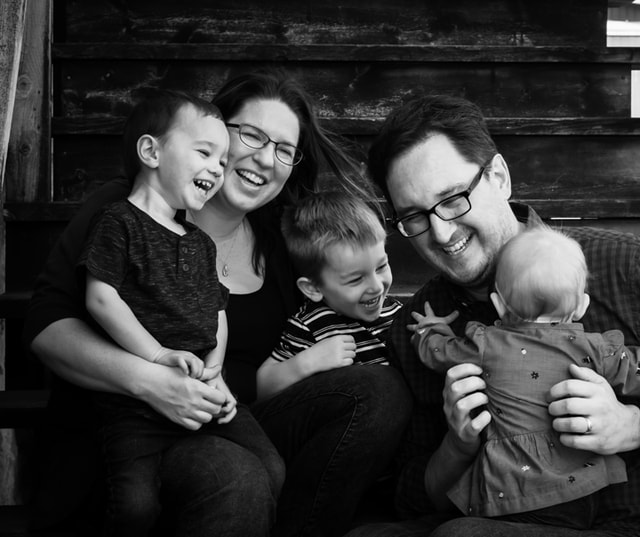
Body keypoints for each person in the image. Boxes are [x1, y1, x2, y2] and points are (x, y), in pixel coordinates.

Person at [345, 94, 640, 536]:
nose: (440, 231)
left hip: (633, 526)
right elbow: (412, 497)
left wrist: (634, 425)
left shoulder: (622, 267)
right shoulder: (421, 322)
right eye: (413, 216)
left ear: (498, 177)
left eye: (453, 199)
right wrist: (457, 445)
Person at [24, 70, 411, 537]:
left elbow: (350, 307)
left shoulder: (281, 244)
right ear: (213, 131)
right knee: (233, 472)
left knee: (378, 390)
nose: (265, 159)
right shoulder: (127, 209)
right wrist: (152, 381)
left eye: (284, 149)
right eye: (251, 134)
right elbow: (47, 328)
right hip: (127, 431)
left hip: (235, 421)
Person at [407, 226, 640, 527]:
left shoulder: (485, 345)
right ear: (581, 307)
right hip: (580, 487)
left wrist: (429, 329)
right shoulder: (593, 349)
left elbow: (438, 352)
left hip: (509, 488)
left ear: (498, 303)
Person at [79, 90, 280, 536]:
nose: (217, 168)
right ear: (151, 151)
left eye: (222, 160)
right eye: (204, 152)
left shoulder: (199, 242)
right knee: (134, 508)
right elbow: (100, 298)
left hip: (202, 391)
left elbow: (218, 313)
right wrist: (155, 357)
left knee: (271, 466)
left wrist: (215, 370)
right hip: (135, 407)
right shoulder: (118, 222)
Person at [260, 191, 402, 398]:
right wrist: (307, 362)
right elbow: (262, 387)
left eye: (381, 266)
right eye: (355, 279)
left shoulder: (396, 312)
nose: (377, 287)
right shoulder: (310, 326)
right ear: (314, 289)